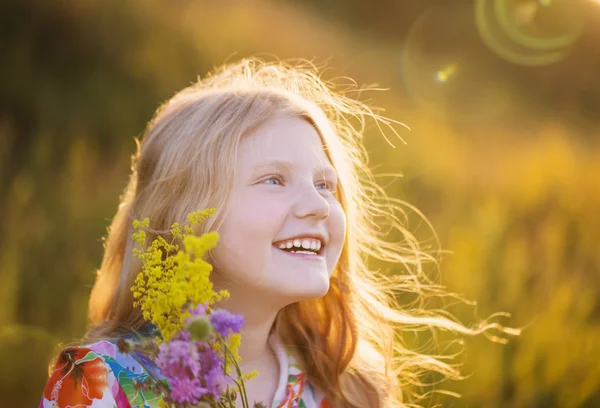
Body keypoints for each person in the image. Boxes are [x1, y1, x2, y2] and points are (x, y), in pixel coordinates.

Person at [39, 58, 516, 408]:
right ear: (186, 217)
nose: (317, 206)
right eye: (273, 180)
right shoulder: (102, 382)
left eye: (325, 184)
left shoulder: (345, 391)